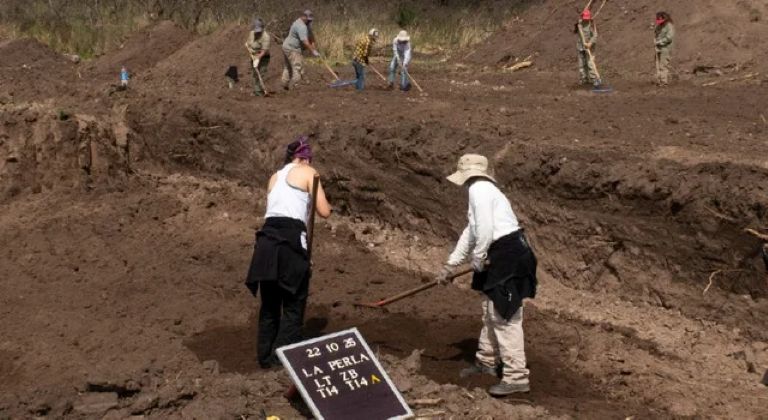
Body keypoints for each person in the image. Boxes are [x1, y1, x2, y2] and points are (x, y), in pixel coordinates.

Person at [436, 154, 537, 397]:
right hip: (501, 251)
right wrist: (451, 264)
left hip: (507, 254)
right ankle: (487, 360)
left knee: (505, 314)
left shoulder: (479, 190)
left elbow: (485, 229)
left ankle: (516, 377)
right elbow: (471, 230)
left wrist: (479, 256)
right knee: (490, 309)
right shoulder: (482, 190)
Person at [245, 136, 332, 368]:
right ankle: (281, 361)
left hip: (266, 242)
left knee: (270, 305)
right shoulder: (309, 172)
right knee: (294, 305)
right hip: (289, 241)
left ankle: (265, 358)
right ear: (305, 158)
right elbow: (324, 211)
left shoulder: (274, 177)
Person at [282, 10, 321, 90]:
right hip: (292, 48)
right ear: (304, 17)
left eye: (310, 20)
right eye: (308, 20)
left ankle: (284, 85)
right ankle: (295, 87)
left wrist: (314, 48)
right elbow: (305, 41)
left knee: (288, 66)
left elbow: (311, 38)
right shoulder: (301, 26)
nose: (310, 21)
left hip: (287, 46)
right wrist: (313, 51)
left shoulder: (306, 24)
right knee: (297, 67)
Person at [574, 9, 601, 87]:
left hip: (589, 46)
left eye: (587, 18)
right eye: (584, 18)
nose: (585, 20)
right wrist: (583, 42)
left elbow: (595, 35)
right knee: (581, 63)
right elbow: (576, 32)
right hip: (580, 46)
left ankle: (594, 79)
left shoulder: (591, 24)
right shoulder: (579, 24)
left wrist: (590, 43)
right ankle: (583, 79)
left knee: (590, 63)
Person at [245, 18, 271, 96]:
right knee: (255, 73)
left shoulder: (266, 37)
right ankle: (256, 90)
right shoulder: (251, 33)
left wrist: (257, 58)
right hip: (253, 55)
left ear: (262, 28)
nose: (257, 32)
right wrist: (249, 49)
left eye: (259, 31)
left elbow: (264, 51)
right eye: (256, 30)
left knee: (261, 72)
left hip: (263, 57)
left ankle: (259, 90)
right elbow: (248, 44)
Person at [654, 12, 676, 86]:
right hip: (658, 47)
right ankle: (659, 80)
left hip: (666, 48)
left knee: (664, 65)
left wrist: (661, 41)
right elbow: (656, 34)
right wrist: (656, 41)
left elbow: (669, 37)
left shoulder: (669, 26)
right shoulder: (658, 26)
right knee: (658, 65)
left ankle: (664, 82)